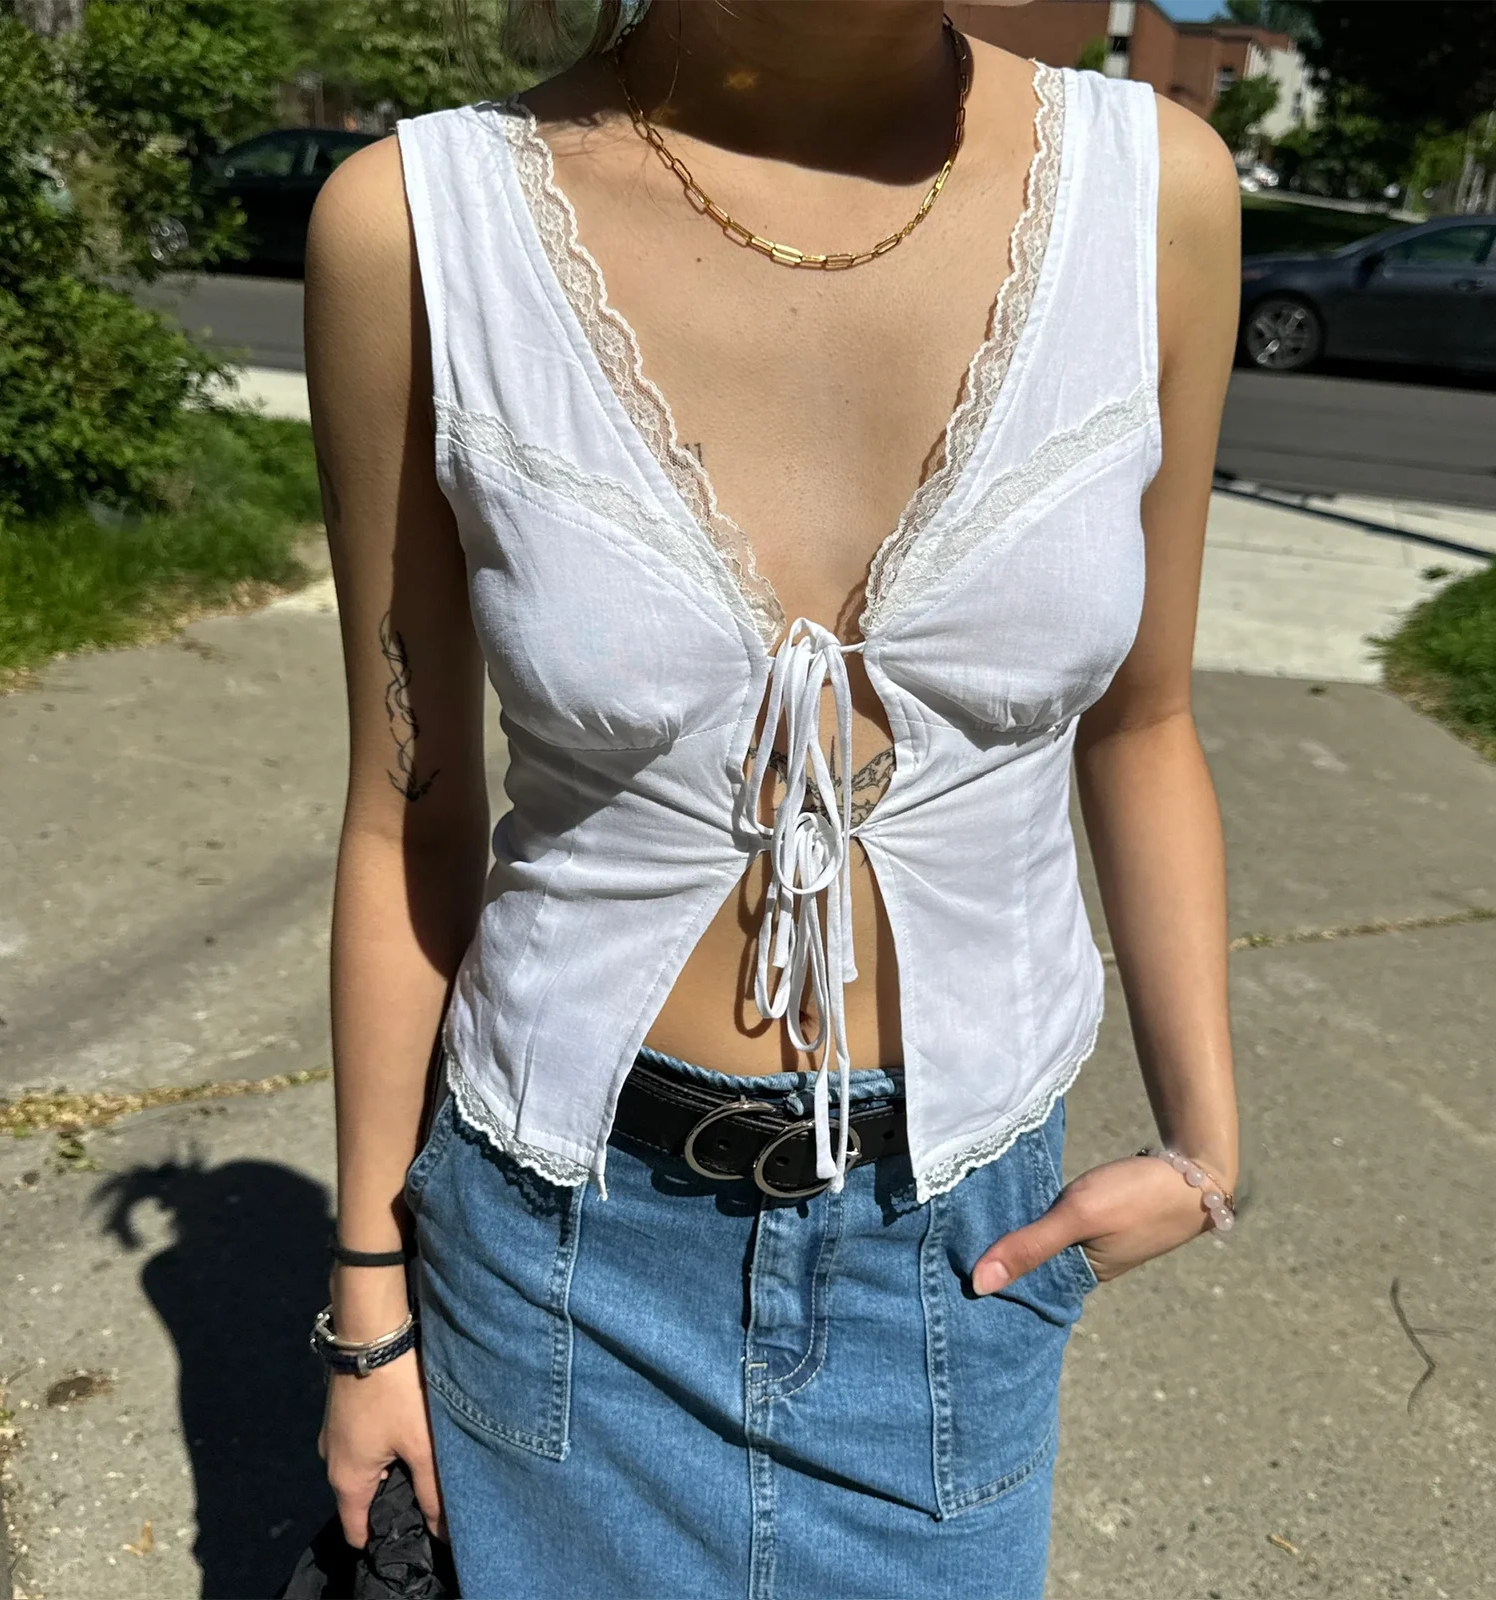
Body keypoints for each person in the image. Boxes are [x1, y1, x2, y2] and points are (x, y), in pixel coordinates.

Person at [304, 0, 1242, 1593]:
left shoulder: (1155, 192)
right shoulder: (414, 227)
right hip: (557, 1256)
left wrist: (1208, 1149)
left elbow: (1145, 724)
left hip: (957, 1261)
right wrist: (366, 1305)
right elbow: (411, 813)